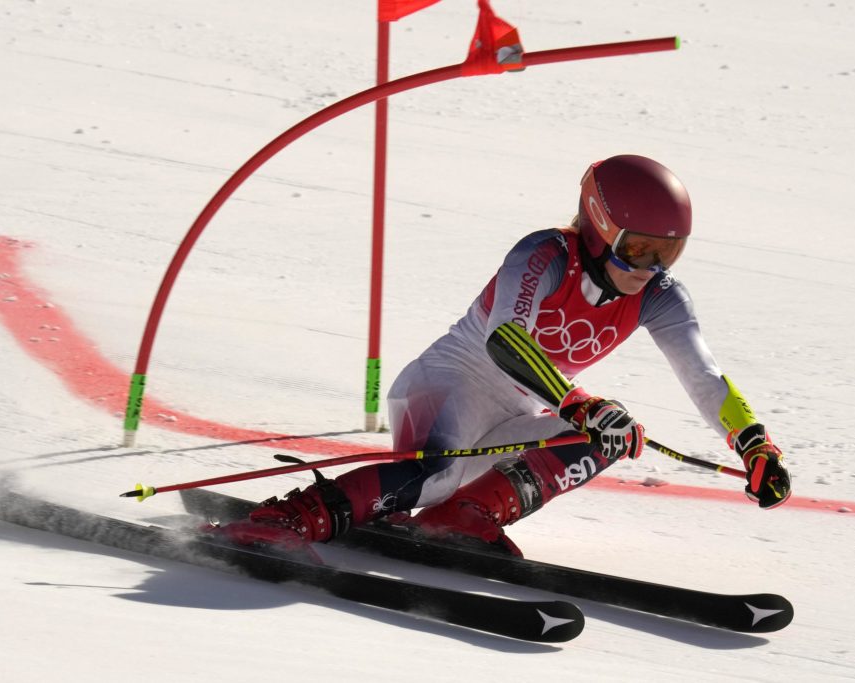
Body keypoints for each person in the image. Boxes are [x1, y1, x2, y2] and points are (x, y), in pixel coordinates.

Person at [220, 154, 792, 555]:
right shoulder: (544, 254)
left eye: (667, 253)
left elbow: (704, 375)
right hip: (446, 387)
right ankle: (290, 518)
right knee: (439, 474)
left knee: (610, 434)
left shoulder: (660, 298)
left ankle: (463, 521)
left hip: (526, 411)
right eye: (639, 249)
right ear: (599, 227)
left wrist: (754, 443)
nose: (650, 269)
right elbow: (506, 340)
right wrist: (579, 402)